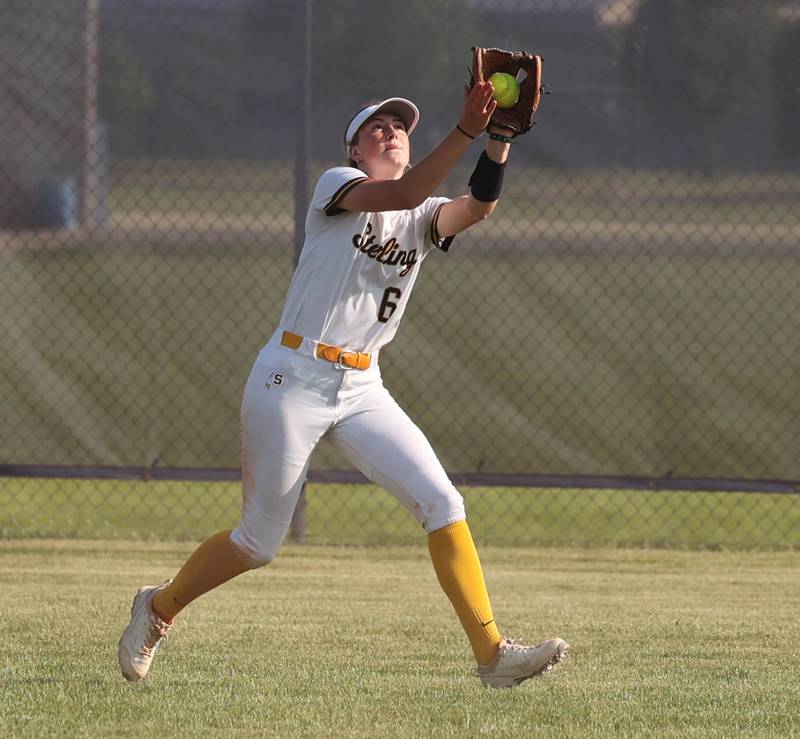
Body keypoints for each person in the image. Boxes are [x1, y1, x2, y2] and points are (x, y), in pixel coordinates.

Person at [118, 81, 569, 689]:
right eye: (375, 128)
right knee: (258, 543)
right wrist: (463, 130)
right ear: (355, 151)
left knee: (443, 504)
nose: (391, 131)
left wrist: (498, 142)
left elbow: (477, 207)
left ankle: (492, 655)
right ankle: (158, 607)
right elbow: (406, 190)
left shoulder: (423, 217)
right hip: (291, 377)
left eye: (400, 126)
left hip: (363, 387)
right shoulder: (337, 185)